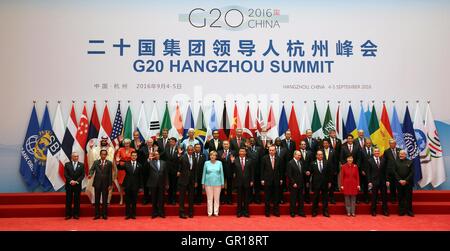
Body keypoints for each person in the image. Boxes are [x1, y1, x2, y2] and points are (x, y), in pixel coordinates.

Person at [86, 136, 117, 205]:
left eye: (105, 140)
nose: (104, 141)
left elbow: (110, 160)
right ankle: (95, 201)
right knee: (96, 187)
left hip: (107, 171)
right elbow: (93, 160)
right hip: (97, 172)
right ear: (101, 141)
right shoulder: (95, 149)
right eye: (103, 140)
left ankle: (106, 201)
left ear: (107, 141)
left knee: (107, 188)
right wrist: (91, 149)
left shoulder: (111, 149)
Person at [116, 151, 143, 220]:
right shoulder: (126, 164)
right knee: (127, 201)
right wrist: (117, 162)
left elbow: (140, 177)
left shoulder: (139, 165)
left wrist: (140, 187)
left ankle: (133, 214)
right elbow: (120, 168)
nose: (134, 157)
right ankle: (128, 214)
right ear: (131, 156)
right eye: (133, 155)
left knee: (134, 201)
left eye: (135, 156)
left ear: (136, 157)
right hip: (127, 185)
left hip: (135, 186)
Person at [89, 149, 113, 220]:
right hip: (97, 183)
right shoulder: (96, 162)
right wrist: (90, 174)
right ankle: (97, 215)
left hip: (106, 184)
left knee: (105, 200)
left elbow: (110, 175)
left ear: (106, 155)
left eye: (105, 154)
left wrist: (110, 184)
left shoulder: (109, 163)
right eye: (102, 154)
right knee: (97, 199)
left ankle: (104, 215)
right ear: (100, 154)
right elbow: (92, 170)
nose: (103, 155)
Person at [230, 147, 254, 217]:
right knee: (239, 198)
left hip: (247, 181)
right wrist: (232, 162)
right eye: (241, 151)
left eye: (243, 151)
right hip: (238, 182)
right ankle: (239, 212)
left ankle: (246, 212)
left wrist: (252, 180)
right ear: (239, 152)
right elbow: (232, 170)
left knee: (246, 198)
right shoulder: (235, 160)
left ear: (245, 152)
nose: (242, 152)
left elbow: (252, 171)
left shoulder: (249, 160)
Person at [261, 145, 282, 217]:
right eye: (270, 150)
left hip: (276, 180)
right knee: (267, 197)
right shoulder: (264, 158)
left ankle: (276, 211)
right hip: (267, 180)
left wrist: (281, 179)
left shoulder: (279, 158)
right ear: (268, 150)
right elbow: (262, 170)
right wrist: (262, 179)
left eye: (273, 150)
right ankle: (267, 212)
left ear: (275, 151)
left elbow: (281, 170)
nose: (271, 151)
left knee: (276, 197)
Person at [177, 145, 198, 218]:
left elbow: (195, 171)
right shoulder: (183, 157)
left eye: (191, 150)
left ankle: (191, 212)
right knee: (182, 198)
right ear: (186, 150)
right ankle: (181, 213)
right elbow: (178, 162)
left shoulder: (194, 158)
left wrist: (195, 181)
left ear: (193, 150)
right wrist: (179, 154)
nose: (190, 151)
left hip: (191, 181)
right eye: (189, 150)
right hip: (183, 180)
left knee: (191, 197)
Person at [202, 151, 225, 217]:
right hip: (208, 183)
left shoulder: (219, 163)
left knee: (217, 199)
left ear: (216, 156)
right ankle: (209, 212)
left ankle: (216, 212)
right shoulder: (206, 163)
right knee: (209, 199)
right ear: (209, 156)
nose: (212, 156)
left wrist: (222, 183)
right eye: (211, 155)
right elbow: (204, 173)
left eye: (214, 155)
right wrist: (203, 183)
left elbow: (221, 173)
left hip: (218, 183)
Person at [368, 148, 389, 216]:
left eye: (378, 151)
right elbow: (368, 172)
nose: (377, 152)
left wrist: (387, 180)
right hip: (374, 181)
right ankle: (373, 211)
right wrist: (369, 181)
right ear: (373, 152)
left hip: (383, 181)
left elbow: (386, 171)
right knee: (374, 197)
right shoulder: (370, 161)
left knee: (384, 197)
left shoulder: (383, 160)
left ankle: (385, 211)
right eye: (375, 151)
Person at [147, 151, 168, 218]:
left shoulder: (163, 162)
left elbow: (166, 174)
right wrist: (149, 159)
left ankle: (161, 212)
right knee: (154, 199)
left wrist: (167, 183)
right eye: (155, 154)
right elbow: (145, 168)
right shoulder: (150, 162)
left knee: (161, 199)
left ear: (159, 155)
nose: (156, 155)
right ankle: (154, 213)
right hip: (153, 183)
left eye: (157, 154)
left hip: (161, 183)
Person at [64, 152, 85, 220]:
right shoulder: (67, 164)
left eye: (77, 156)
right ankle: (68, 215)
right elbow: (65, 174)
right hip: (69, 185)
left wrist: (77, 181)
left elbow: (82, 175)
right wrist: (71, 181)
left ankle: (76, 214)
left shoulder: (81, 165)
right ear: (72, 157)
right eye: (75, 156)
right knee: (68, 200)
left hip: (77, 185)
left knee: (77, 200)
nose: (76, 158)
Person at [286, 150, 307, 217]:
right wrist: (293, 183)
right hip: (293, 184)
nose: (299, 156)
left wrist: (306, 172)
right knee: (293, 199)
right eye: (298, 155)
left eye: (300, 155)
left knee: (301, 199)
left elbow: (301, 172)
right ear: (294, 155)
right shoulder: (290, 163)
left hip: (301, 184)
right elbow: (289, 175)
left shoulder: (301, 162)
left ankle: (301, 212)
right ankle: (292, 212)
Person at [311, 150, 332, 217]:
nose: (320, 156)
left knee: (325, 198)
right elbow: (310, 172)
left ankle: (325, 211)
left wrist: (329, 182)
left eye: (321, 154)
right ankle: (314, 211)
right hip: (316, 183)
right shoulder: (313, 163)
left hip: (325, 183)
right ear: (316, 155)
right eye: (319, 154)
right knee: (315, 198)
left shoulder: (327, 162)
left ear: (323, 155)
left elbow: (329, 173)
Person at [394, 150, 414, 217]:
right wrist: (400, 180)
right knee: (400, 198)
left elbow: (412, 173)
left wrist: (405, 180)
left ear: (405, 155)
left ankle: (409, 211)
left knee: (409, 198)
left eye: (402, 154)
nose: (401, 155)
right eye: (400, 154)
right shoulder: (396, 162)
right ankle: (401, 211)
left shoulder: (410, 162)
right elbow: (395, 172)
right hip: (399, 183)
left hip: (408, 183)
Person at [115, 138, 135, 205]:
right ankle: (121, 198)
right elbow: (117, 157)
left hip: (129, 167)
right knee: (121, 185)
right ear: (124, 144)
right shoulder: (120, 149)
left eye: (128, 143)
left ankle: (129, 199)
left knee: (129, 184)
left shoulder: (133, 150)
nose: (126, 144)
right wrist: (117, 160)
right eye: (125, 143)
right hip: (122, 168)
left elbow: (134, 158)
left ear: (130, 143)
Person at [138, 138, 157, 204]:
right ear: (146, 143)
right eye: (148, 142)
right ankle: (146, 198)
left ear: (153, 142)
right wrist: (148, 159)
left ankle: (153, 199)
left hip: (154, 170)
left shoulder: (156, 149)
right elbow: (140, 160)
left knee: (153, 185)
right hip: (145, 169)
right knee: (146, 185)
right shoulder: (142, 149)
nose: (150, 143)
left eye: (151, 142)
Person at [384, 139, 401, 203]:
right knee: (392, 187)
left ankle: (400, 199)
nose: (392, 144)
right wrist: (386, 175)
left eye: (393, 143)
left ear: (395, 144)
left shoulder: (400, 150)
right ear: (389, 144)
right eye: (391, 143)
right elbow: (385, 163)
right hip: (391, 173)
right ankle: (393, 199)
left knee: (399, 187)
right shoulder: (386, 151)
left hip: (399, 173)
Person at [247, 137, 263, 204]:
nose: (252, 142)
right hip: (248, 171)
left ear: (255, 141)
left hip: (257, 171)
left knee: (257, 186)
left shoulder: (259, 148)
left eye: (253, 141)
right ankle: (250, 199)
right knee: (249, 186)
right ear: (249, 142)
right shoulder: (246, 149)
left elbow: (261, 159)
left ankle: (257, 199)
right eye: (250, 141)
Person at [322, 139, 337, 204]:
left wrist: (335, 170)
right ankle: (324, 199)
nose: (325, 144)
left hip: (331, 171)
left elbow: (335, 161)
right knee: (324, 186)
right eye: (324, 143)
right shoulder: (320, 151)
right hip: (323, 171)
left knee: (331, 186)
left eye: (326, 143)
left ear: (329, 144)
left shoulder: (333, 151)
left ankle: (332, 198)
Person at [358, 138, 373, 204]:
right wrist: (362, 170)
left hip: (372, 171)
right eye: (367, 143)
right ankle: (365, 199)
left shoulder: (373, 150)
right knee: (364, 186)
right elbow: (359, 161)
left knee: (372, 186)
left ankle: (373, 199)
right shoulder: (361, 150)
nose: (368, 144)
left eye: (370, 143)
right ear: (365, 143)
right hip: (364, 171)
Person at [274, 137, 288, 202]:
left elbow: (287, 161)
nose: (278, 142)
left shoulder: (284, 149)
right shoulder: (272, 149)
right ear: (275, 142)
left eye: (279, 141)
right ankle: (274, 199)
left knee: (281, 185)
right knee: (274, 186)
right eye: (277, 141)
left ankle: (281, 198)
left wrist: (286, 170)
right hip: (274, 170)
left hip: (282, 170)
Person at [166, 137, 179, 205]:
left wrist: (179, 170)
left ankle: (173, 199)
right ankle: (169, 199)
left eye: (172, 141)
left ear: (175, 142)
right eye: (170, 141)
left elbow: (180, 161)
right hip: (168, 171)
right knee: (169, 185)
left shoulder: (178, 149)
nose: (171, 143)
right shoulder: (167, 149)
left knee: (174, 186)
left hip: (175, 171)